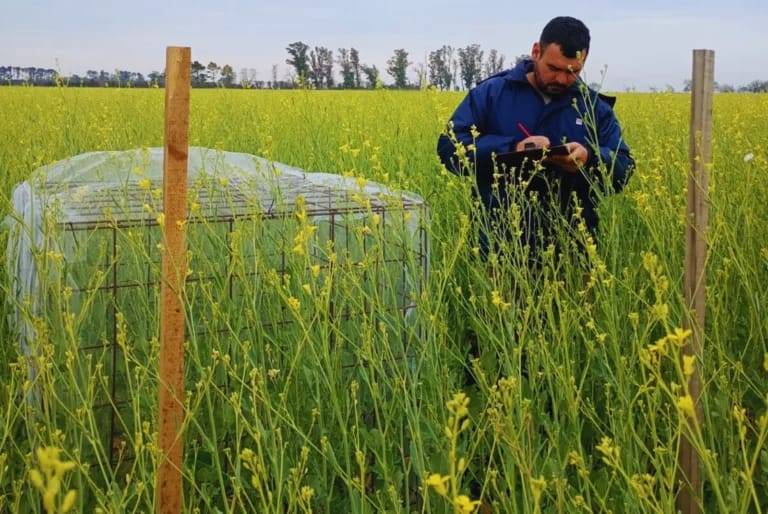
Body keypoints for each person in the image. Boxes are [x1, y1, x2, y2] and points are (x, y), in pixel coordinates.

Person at [437, 16, 634, 259]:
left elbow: (623, 166)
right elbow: (449, 147)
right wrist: (512, 147)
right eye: (553, 68)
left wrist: (589, 157)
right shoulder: (492, 93)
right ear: (536, 51)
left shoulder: (593, 107)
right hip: (502, 247)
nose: (561, 79)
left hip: (575, 250)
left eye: (573, 71)